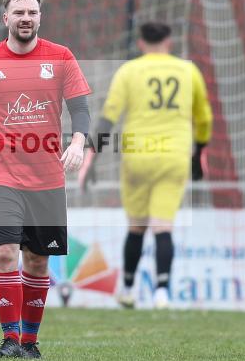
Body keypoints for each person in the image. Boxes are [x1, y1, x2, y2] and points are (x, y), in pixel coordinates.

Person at [0, 0, 91, 359]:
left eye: (32, 12)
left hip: (48, 177)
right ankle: (10, 339)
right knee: (5, 254)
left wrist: (77, 143)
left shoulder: (61, 57)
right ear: (5, 18)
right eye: (19, 12)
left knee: (38, 260)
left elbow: (80, 109)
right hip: (0, 174)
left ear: (40, 17)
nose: (26, 18)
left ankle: (29, 342)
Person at [79, 22, 212, 309]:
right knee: (163, 226)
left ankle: (127, 289)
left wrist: (92, 159)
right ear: (169, 42)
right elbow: (204, 119)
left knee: (136, 226)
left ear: (140, 43)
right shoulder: (188, 71)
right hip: (174, 156)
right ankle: (162, 292)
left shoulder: (129, 71)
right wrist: (199, 152)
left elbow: (108, 117)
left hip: (137, 157)